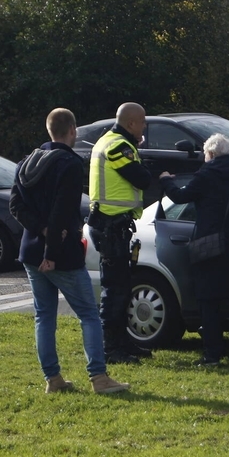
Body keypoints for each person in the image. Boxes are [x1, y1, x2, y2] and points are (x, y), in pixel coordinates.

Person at [10, 108, 130, 395]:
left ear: (50, 130)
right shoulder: (69, 164)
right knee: (89, 313)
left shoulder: (27, 162)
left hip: (30, 249)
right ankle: (99, 377)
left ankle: (53, 379)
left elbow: (15, 206)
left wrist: (40, 232)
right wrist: (51, 250)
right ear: (73, 130)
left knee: (44, 315)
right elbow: (63, 211)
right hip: (60, 253)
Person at [158, 133, 229, 366]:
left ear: (210, 154)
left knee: (209, 300)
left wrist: (165, 180)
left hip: (210, 244)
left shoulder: (207, 174)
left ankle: (213, 353)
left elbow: (180, 197)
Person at [87, 102, 154, 364]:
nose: (145, 126)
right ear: (131, 124)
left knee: (121, 287)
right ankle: (111, 349)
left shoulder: (109, 141)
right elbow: (141, 179)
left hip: (114, 225)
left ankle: (122, 343)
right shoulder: (117, 146)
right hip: (109, 226)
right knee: (114, 290)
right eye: (143, 121)